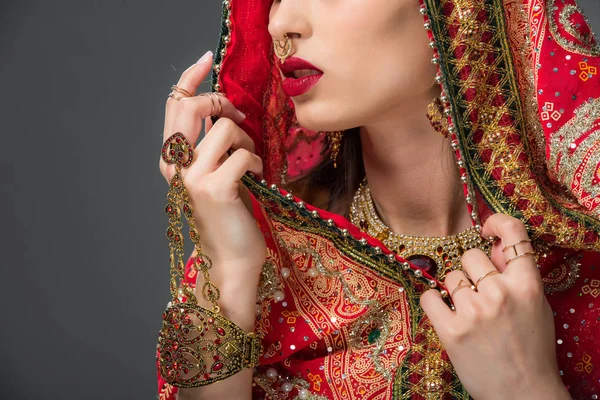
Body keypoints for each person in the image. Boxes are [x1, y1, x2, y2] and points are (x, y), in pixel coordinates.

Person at [156, 0, 600, 398]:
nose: (281, 23)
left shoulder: (585, 250)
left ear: (458, 12)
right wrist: (227, 270)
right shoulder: (259, 257)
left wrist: (526, 388)